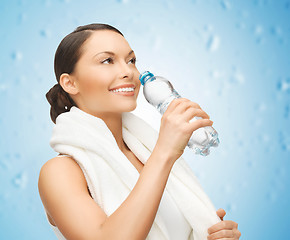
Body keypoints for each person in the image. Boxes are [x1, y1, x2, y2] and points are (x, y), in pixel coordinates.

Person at [38, 23, 241, 240]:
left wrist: (211, 234)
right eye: (107, 60)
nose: (128, 71)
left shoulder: (145, 153)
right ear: (70, 83)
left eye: (131, 60)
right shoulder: (59, 173)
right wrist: (165, 152)